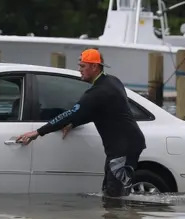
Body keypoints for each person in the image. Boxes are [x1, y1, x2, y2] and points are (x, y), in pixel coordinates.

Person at [15, 48, 147, 198]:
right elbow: (100, 111)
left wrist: (38, 132)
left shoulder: (98, 92)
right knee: (113, 192)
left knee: (114, 196)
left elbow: (71, 113)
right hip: (127, 145)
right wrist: (74, 124)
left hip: (124, 148)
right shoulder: (112, 81)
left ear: (94, 67)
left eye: (83, 66)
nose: (79, 70)